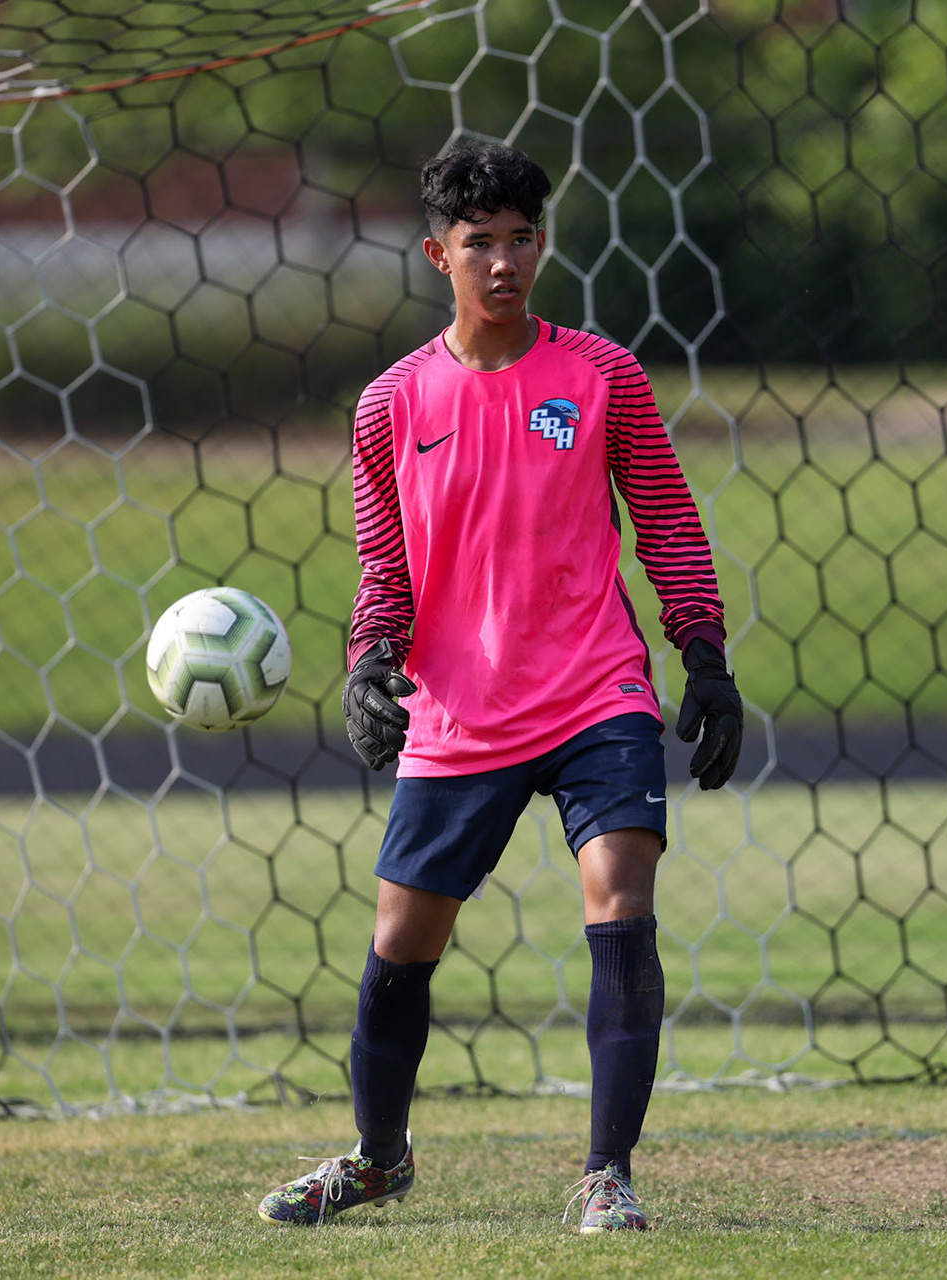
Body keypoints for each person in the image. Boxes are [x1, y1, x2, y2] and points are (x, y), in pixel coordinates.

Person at [257, 140, 741, 1231]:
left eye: (524, 238)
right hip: (459, 706)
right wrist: (368, 662)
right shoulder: (389, 404)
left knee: (622, 895)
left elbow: (665, 517)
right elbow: (385, 563)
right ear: (440, 253)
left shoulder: (602, 375)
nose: (506, 261)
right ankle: (380, 1156)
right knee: (401, 943)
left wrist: (702, 655)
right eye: (481, 243)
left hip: (593, 688)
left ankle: (605, 1170)